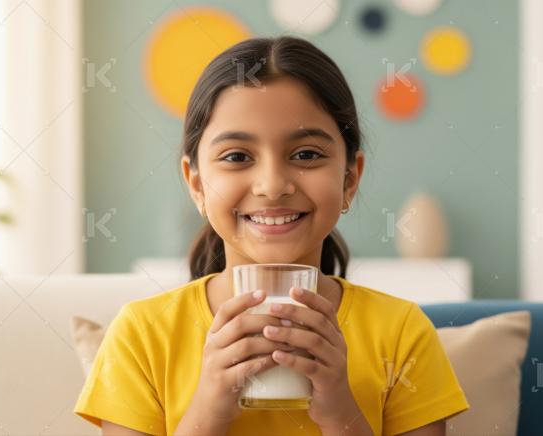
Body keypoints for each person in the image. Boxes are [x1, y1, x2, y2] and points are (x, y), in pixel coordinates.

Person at [74, 36, 469, 436]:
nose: (273, 185)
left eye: (306, 155)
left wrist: (339, 410)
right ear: (196, 184)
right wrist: (208, 409)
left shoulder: (402, 333)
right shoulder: (141, 335)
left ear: (349, 178)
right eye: (237, 157)